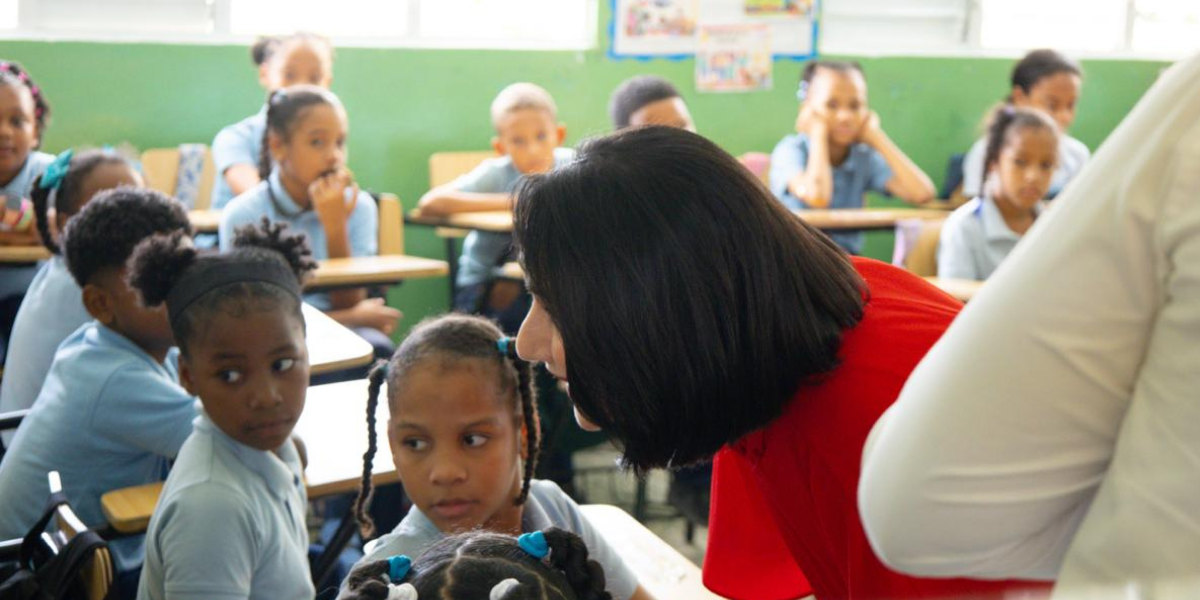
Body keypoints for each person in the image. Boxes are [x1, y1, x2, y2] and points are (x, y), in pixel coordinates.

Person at [512, 126, 1043, 599]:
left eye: (553, 305)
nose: (526, 344)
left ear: (654, 308)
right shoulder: (785, 331)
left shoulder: (868, 433)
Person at [859, 51, 1200, 599]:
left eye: (1048, 166)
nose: (1035, 178)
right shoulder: (968, 228)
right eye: (1022, 163)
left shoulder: (1058, 218)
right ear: (993, 163)